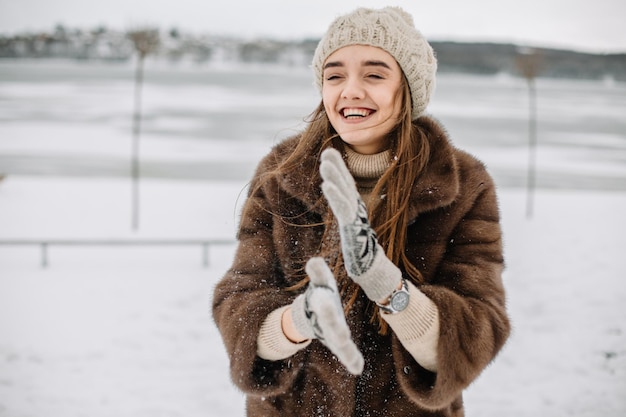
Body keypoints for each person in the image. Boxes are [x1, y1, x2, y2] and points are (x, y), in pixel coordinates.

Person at [212, 6, 510, 416]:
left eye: (374, 74)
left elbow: (479, 332)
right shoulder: (281, 175)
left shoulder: (462, 185)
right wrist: (299, 321)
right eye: (335, 75)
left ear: (407, 89)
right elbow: (238, 303)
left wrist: (389, 288)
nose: (350, 90)